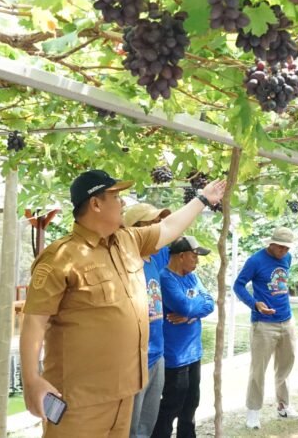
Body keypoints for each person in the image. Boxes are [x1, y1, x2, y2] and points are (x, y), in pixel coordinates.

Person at [20, 170, 226, 438]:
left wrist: (203, 199)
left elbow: (168, 227)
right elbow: (34, 321)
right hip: (80, 400)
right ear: (95, 203)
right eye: (116, 196)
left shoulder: (128, 241)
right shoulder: (60, 258)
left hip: (126, 392)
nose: (123, 203)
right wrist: (31, 379)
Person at [233, 226, 298, 430]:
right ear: (271, 244)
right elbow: (238, 285)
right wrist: (254, 303)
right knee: (258, 370)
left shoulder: (287, 259)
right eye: (280, 247)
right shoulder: (256, 260)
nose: (284, 251)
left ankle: (284, 406)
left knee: (285, 366)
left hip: (287, 320)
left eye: (287, 248)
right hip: (263, 324)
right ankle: (253, 412)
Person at [153, 236, 215, 438]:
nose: (197, 261)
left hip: (194, 353)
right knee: (172, 404)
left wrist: (191, 314)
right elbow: (184, 306)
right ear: (181, 256)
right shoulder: (166, 278)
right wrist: (191, 310)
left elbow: (210, 302)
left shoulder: (191, 276)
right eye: (194, 256)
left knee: (191, 403)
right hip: (175, 355)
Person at [124, 203, 172, 438]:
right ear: (134, 230)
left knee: (147, 424)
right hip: (133, 359)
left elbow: (174, 229)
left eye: (158, 223)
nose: (157, 229)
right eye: (151, 224)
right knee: (129, 427)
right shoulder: (124, 263)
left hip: (157, 355)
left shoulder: (156, 257)